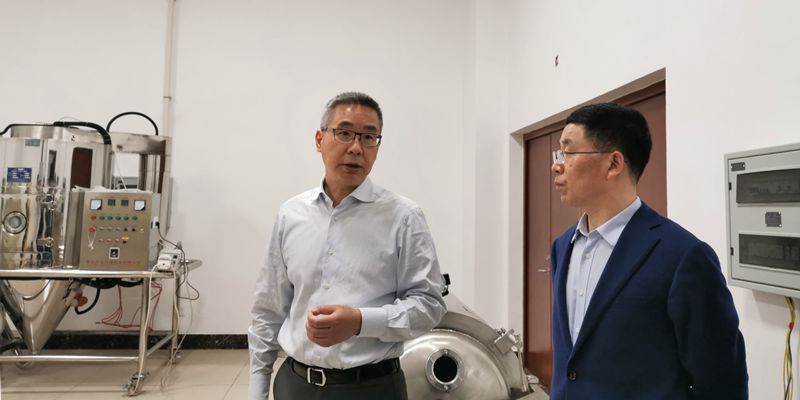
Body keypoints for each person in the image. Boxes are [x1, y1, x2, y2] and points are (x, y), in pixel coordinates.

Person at [248, 92, 447, 400]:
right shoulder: (291, 214)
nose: (356, 148)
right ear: (319, 139)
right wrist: (257, 389)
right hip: (295, 385)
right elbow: (268, 309)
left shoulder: (403, 217)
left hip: (372, 387)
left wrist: (360, 322)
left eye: (369, 137)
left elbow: (429, 305)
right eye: (344, 133)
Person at [549, 103, 748, 399]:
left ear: (613, 164)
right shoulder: (563, 246)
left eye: (568, 152)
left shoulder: (683, 256)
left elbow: (722, 382)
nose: (557, 165)